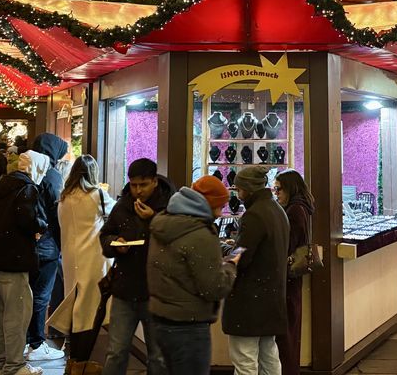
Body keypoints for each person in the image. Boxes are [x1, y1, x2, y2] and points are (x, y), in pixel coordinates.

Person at [149, 175, 239, 375]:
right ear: (209, 204)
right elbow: (214, 287)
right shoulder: (200, 233)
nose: (221, 211)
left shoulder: (162, 222)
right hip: (189, 327)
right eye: (220, 205)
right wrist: (232, 266)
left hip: (160, 320)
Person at [0, 150, 50, 375]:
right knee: (16, 315)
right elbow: (27, 220)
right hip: (14, 259)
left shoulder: (3, 184)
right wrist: (41, 225)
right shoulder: (27, 188)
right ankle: (15, 366)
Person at [98, 158, 172, 375]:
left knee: (157, 356)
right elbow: (105, 235)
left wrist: (154, 219)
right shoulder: (123, 205)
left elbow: (177, 239)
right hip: (125, 288)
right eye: (133, 185)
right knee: (116, 351)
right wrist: (114, 244)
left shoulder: (170, 205)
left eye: (143, 185)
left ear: (155, 181)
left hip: (157, 292)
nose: (138, 191)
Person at [223, 165, 290, 375]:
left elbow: (242, 255)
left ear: (249, 189)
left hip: (250, 300)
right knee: (269, 355)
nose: (238, 194)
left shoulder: (254, 215)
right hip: (272, 297)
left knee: (245, 360)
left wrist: (227, 250)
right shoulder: (277, 209)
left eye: (240, 189)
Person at [55, 155, 114, 373]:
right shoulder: (97, 195)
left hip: (71, 258)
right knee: (90, 309)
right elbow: (114, 212)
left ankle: (74, 360)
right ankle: (81, 361)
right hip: (93, 257)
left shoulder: (63, 198)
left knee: (75, 305)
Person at [25, 133, 70, 362]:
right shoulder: (51, 175)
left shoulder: (27, 171)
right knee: (42, 295)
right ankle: (36, 344)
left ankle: (25, 340)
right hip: (47, 244)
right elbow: (55, 212)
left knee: (28, 293)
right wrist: (63, 243)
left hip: (28, 243)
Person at [273, 170, 313, 375]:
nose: (276, 193)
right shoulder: (302, 207)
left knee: (286, 333)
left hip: (288, 278)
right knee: (290, 330)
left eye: (279, 189)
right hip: (293, 278)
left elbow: (288, 244)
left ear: (290, 188)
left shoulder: (295, 210)